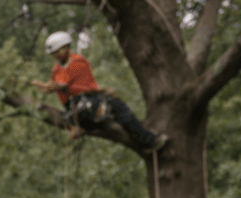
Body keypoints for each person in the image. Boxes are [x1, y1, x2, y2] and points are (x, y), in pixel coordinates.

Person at [29, 31, 167, 153]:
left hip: (80, 109)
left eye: (57, 51)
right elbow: (64, 85)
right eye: (54, 53)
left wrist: (46, 86)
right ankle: (149, 141)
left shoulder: (67, 65)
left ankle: (136, 136)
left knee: (118, 113)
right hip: (83, 107)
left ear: (66, 47)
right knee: (122, 110)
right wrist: (43, 86)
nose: (55, 55)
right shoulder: (70, 64)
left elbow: (76, 85)